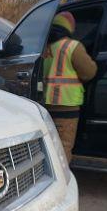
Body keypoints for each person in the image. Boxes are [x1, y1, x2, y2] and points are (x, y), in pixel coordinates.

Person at [43, 11, 97, 162]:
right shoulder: (72, 46)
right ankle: (63, 182)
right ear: (69, 28)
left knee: (48, 147)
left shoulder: (45, 47)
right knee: (63, 147)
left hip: (46, 105)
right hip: (67, 106)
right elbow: (89, 72)